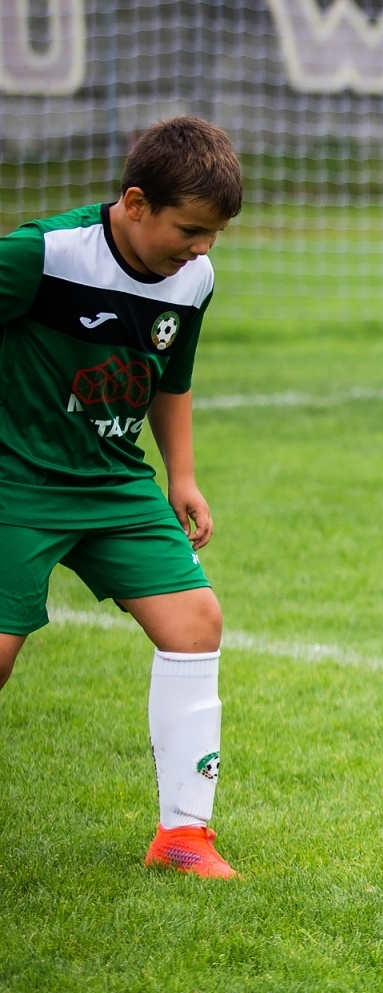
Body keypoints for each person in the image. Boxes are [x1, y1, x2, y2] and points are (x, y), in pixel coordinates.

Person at [0, 116, 243, 878]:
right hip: (17, 480)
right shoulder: (41, 255)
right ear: (135, 203)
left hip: (111, 481)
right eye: (191, 228)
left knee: (195, 621)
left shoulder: (193, 278)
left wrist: (182, 476)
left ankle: (182, 837)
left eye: (215, 234)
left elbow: (172, 377)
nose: (202, 247)